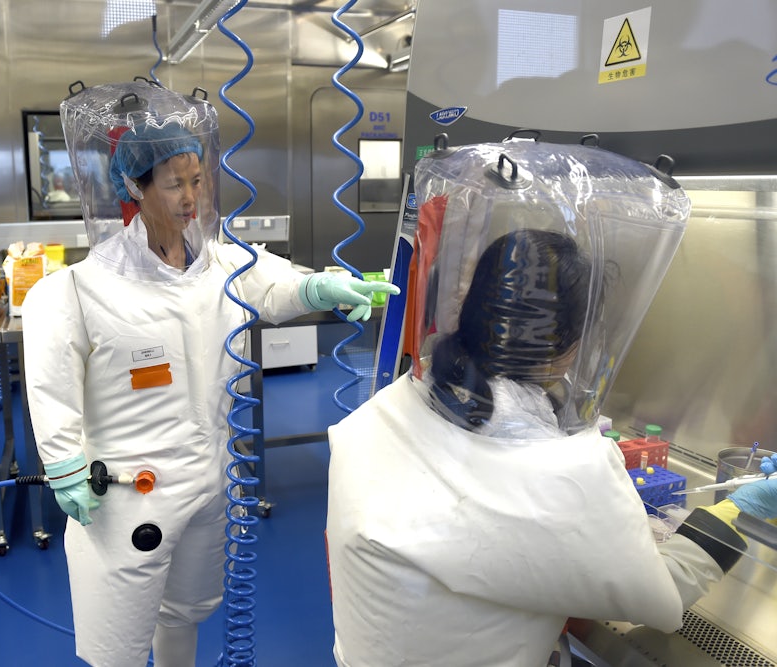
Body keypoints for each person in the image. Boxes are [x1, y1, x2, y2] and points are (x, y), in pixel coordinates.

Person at [324, 140, 777, 667]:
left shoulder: (395, 405)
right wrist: (737, 511)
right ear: (570, 345)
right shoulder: (561, 472)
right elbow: (662, 600)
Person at [21, 81, 396, 667]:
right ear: (133, 188)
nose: (190, 197)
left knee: (187, 612)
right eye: (173, 184)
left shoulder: (221, 262)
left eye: (197, 181)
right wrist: (64, 463)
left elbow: (275, 285)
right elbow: (50, 382)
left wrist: (321, 285)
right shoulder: (76, 289)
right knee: (116, 641)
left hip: (212, 479)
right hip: (127, 494)